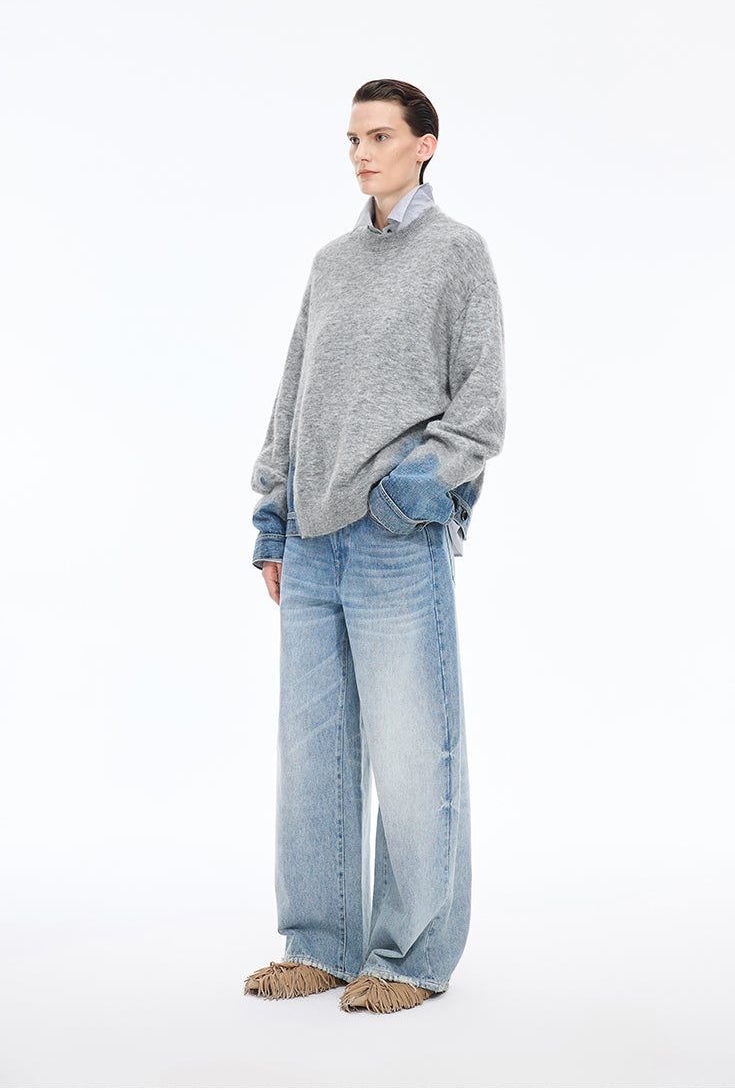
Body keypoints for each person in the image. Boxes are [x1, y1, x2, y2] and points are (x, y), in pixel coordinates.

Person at [243, 78, 506, 1014]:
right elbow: (294, 392)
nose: (362, 153)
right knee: (310, 753)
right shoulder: (331, 262)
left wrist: (410, 493)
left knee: (411, 749)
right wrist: (273, 515)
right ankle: (318, 945)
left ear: (425, 145)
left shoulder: (456, 253)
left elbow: (479, 407)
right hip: (312, 540)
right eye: (353, 138)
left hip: (395, 536)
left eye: (381, 136)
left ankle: (411, 957)